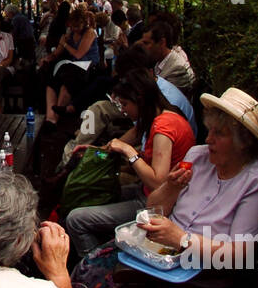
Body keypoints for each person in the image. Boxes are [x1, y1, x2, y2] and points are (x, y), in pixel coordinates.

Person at [71, 87, 258, 288]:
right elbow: (154, 209)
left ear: (243, 142)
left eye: (219, 134)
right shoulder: (198, 157)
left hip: (196, 275)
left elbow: (241, 255)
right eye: (210, 130)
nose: (209, 139)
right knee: (88, 267)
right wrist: (171, 188)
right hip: (154, 253)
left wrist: (181, 239)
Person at [63, 70, 195, 258]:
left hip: (156, 206)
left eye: (125, 104)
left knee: (76, 219)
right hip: (144, 193)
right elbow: (114, 146)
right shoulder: (155, 118)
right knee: (90, 195)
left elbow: (158, 182)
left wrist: (129, 152)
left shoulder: (164, 127)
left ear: (140, 100)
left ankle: (95, 267)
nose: (123, 110)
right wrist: (94, 150)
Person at [43, 5, 100, 126]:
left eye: (77, 26)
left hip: (88, 66)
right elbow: (58, 51)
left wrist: (65, 45)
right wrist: (51, 55)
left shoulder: (89, 33)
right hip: (73, 66)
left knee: (66, 83)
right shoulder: (70, 33)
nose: (74, 29)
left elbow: (79, 54)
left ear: (83, 23)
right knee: (51, 82)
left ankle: (58, 115)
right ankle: (50, 117)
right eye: (72, 26)